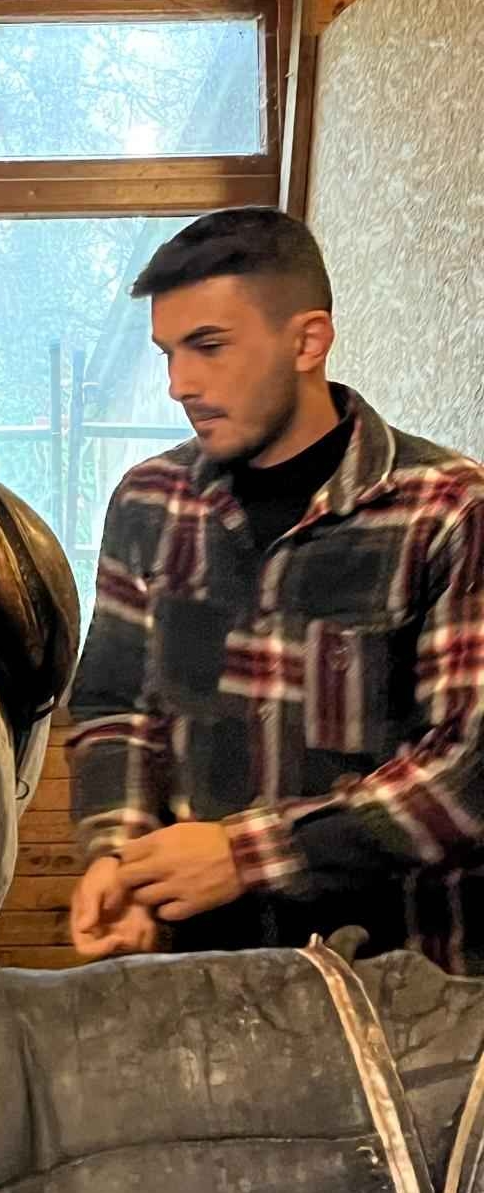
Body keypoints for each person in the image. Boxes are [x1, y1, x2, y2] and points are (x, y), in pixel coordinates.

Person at [67, 208, 484, 973]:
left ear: (307, 341)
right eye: (168, 353)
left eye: (209, 347)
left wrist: (243, 855)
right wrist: (122, 859)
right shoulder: (149, 502)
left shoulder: (448, 509)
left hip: (399, 987)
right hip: (196, 976)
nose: (179, 385)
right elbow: (114, 706)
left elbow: (466, 773)